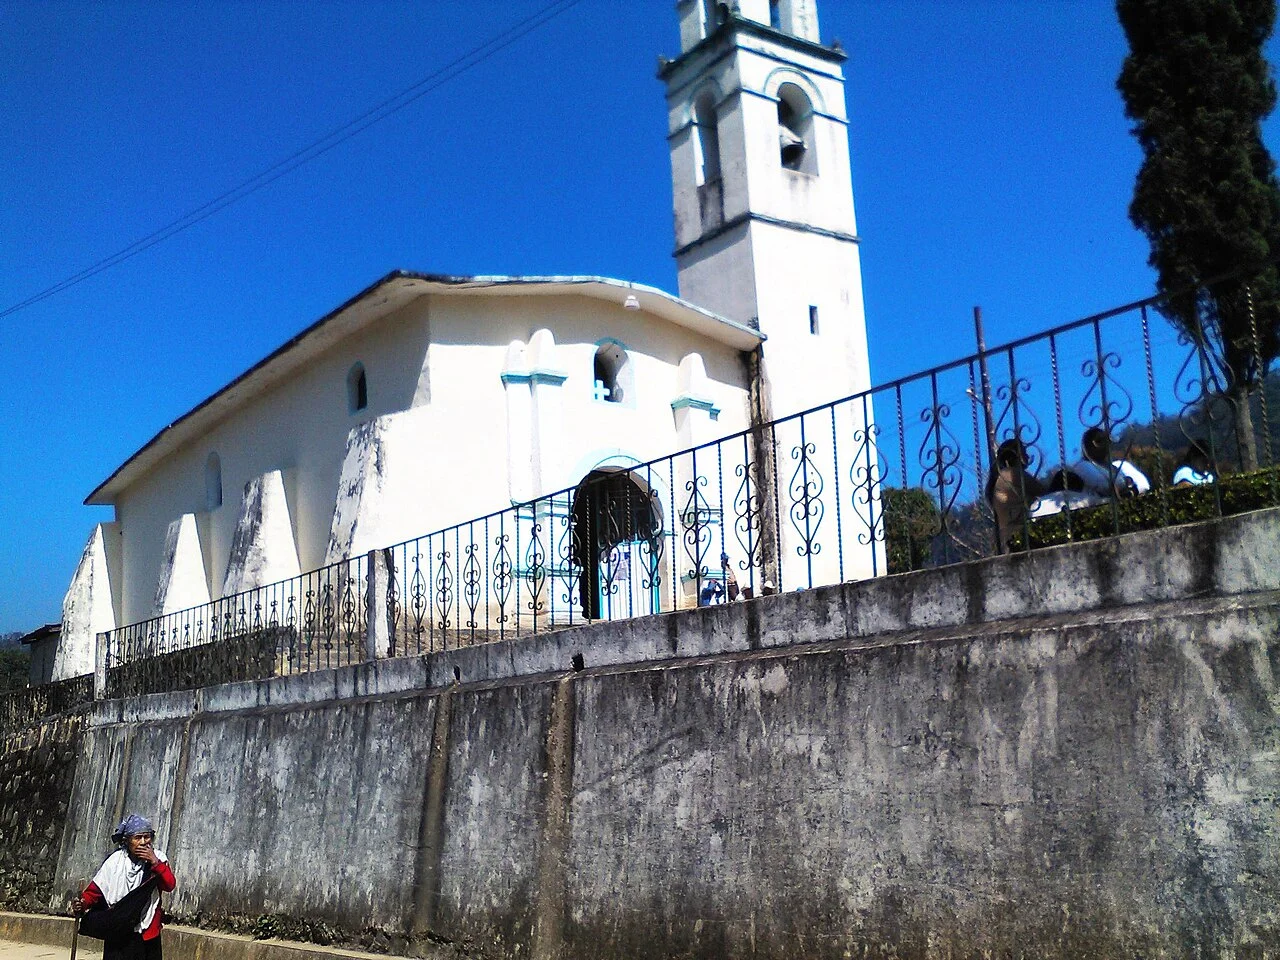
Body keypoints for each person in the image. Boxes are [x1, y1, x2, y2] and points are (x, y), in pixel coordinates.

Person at [74, 814, 176, 959]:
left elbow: (169, 885)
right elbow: (94, 892)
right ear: (127, 841)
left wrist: (155, 862)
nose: (143, 842)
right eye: (137, 838)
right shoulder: (114, 862)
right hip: (118, 929)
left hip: (147, 933)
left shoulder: (159, 859)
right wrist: (82, 903)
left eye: (146, 837)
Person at [985, 439, 1046, 551]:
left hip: (1005, 537)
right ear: (1015, 456)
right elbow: (1044, 491)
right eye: (1023, 452)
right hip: (1016, 536)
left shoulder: (1000, 477)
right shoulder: (1012, 474)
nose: (1027, 456)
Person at [1075, 427, 1150, 498]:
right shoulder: (1083, 466)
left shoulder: (1121, 465)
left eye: (1106, 440)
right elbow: (1103, 484)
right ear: (1086, 447)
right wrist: (1126, 483)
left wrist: (1133, 491)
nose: (1104, 444)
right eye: (1098, 441)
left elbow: (1143, 484)